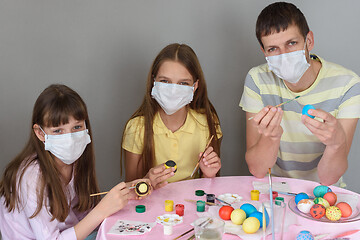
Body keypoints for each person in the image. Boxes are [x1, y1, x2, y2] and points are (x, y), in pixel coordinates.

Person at [0, 84, 150, 240]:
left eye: (77, 127)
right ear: (40, 133)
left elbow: (84, 214)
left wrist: (125, 194)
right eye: (58, 131)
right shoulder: (31, 177)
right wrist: (102, 210)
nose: (70, 138)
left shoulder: (75, 161)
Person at [239, 2, 360, 186]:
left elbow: (329, 179)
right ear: (264, 52)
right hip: (275, 191)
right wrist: (270, 137)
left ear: (308, 41)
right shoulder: (257, 80)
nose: (284, 55)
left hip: (321, 192)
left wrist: (336, 143)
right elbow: (257, 169)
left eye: (292, 43)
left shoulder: (348, 84)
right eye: (273, 49)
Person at [121, 43, 222, 189]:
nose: (173, 90)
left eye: (183, 83)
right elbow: (130, 189)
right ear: (153, 81)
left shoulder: (207, 122)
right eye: (165, 81)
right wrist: (147, 181)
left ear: (195, 86)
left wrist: (208, 174)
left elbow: (210, 187)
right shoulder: (137, 128)